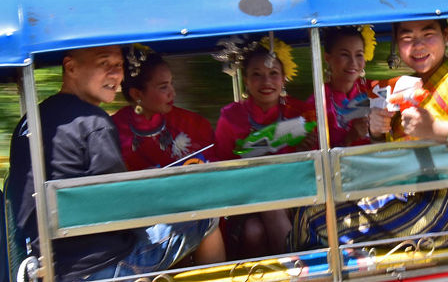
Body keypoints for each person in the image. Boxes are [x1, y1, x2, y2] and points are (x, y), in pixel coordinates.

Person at [291, 19, 448, 251]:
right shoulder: (414, 86)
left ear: (445, 35)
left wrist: (438, 130)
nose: (418, 46)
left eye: (427, 34)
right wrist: (378, 132)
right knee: (313, 211)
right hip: (420, 195)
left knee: (312, 219)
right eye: (407, 38)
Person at [7, 45, 225, 281]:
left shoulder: (29, 121)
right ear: (71, 67)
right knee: (206, 214)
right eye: (104, 64)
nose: (116, 74)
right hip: (104, 266)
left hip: (48, 266)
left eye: (119, 65)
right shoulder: (93, 122)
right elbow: (121, 209)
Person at [214, 36, 312, 259]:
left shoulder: (301, 113)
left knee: (255, 231)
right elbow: (221, 171)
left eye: (273, 74)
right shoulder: (231, 117)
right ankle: (298, 268)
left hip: (299, 196)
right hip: (247, 201)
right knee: (258, 220)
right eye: (257, 75)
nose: (266, 81)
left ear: (284, 79)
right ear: (246, 81)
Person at [112, 45, 217, 170]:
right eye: (163, 87)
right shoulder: (112, 131)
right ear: (136, 94)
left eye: (171, 83)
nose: (173, 93)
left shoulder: (194, 124)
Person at [307, 25, 376, 148]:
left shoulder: (374, 90)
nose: (353, 63)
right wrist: (349, 138)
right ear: (328, 58)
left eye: (359, 55)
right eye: (345, 55)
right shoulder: (317, 103)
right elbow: (315, 156)